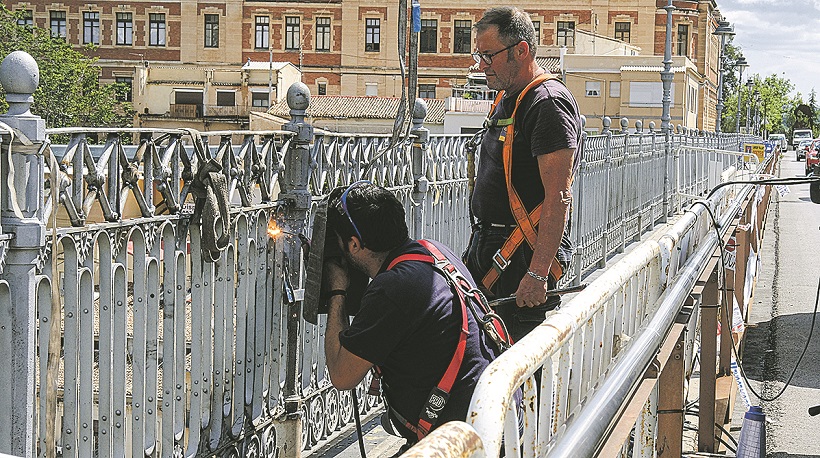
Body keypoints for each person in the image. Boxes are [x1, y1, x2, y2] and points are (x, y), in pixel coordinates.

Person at [321, 181, 505, 450]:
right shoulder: (434, 251)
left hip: (466, 441)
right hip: (499, 413)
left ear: (354, 244)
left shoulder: (393, 289)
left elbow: (341, 376)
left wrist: (337, 291)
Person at [463, 6, 583, 342]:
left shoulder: (546, 104)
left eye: (488, 55)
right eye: (479, 55)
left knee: (517, 366)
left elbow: (559, 197)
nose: (480, 65)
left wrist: (537, 273)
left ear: (521, 50)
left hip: (519, 258)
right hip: (496, 249)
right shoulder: (510, 98)